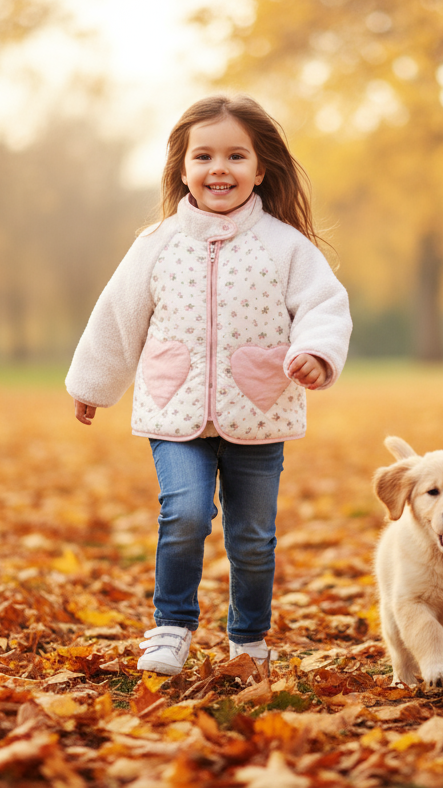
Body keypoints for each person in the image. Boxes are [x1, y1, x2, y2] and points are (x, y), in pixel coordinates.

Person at [66, 94, 352, 676]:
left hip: (258, 413)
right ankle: (171, 627)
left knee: (251, 537)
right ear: (182, 168)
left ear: (260, 168)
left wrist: (315, 355)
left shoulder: (284, 246)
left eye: (235, 156)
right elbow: (119, 316)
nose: (219, 168)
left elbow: (324, 307)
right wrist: (93, 383)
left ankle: (248, 639)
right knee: (187, 514)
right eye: (204, 156)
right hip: (176, 412)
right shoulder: (157, 244)